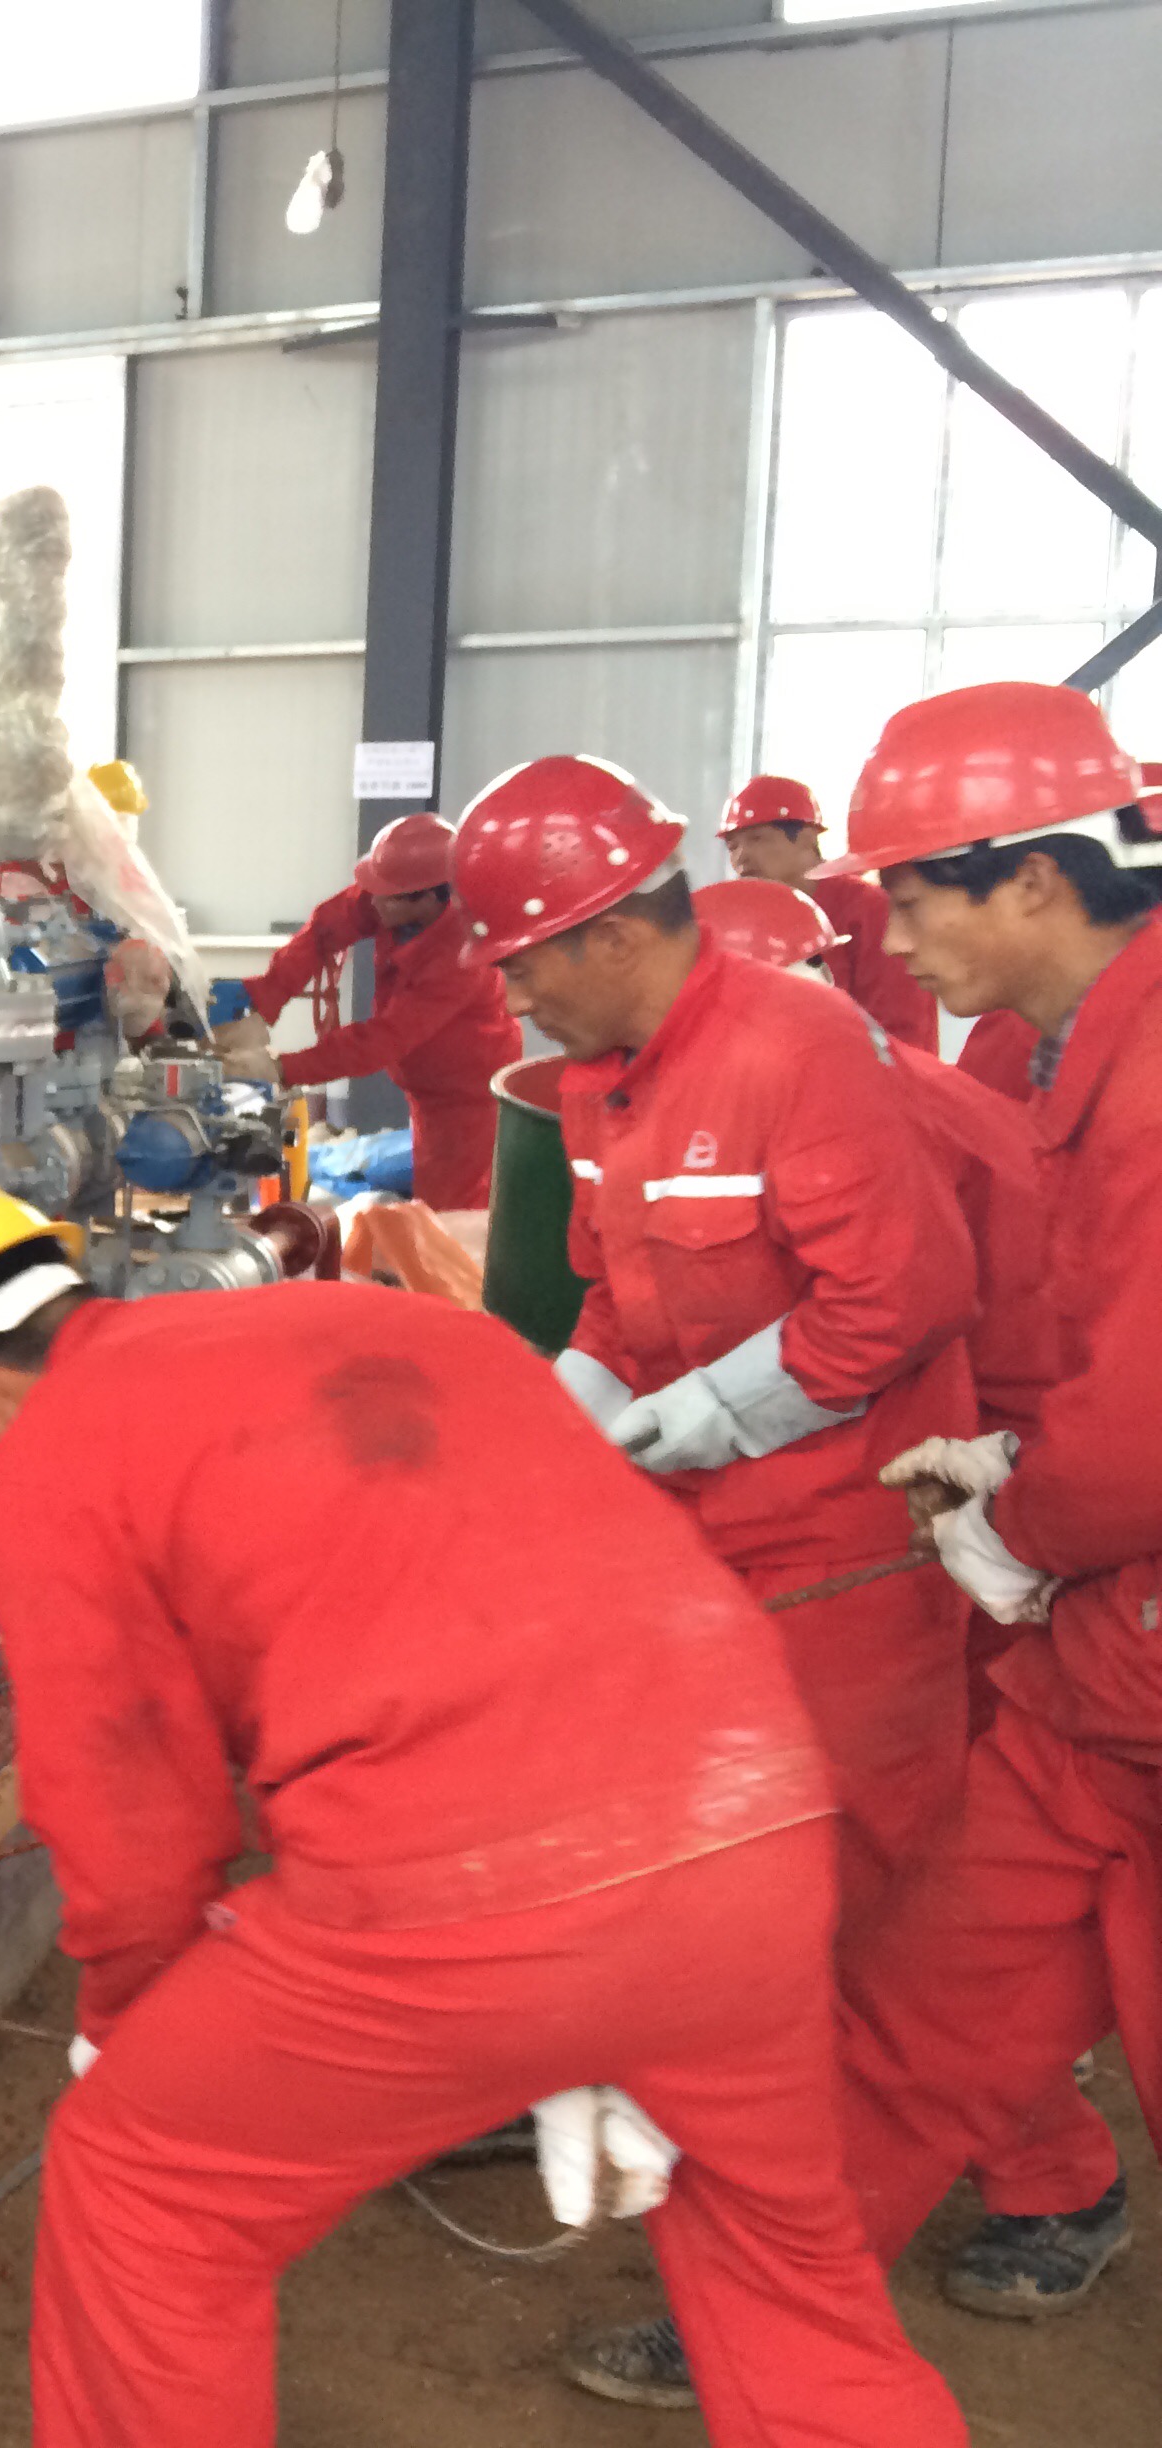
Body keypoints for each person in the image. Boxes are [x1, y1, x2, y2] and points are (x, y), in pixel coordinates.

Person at [0, 1187, 964, 2448]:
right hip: (753, 1829)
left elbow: (124, 1802)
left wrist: (132, 2027)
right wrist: (604, 2018)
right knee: (789, 2272)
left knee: (141, 2184)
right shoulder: (411, 1326)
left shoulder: (48, 1455)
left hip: (464, 1893)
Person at [449, 757, 983, 2407]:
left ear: (612, 931)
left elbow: (896, 1296)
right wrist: (559, 1428)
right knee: (713, 1895)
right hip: (707, 1549)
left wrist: (706, 1418)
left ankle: (771, 2294)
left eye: (525, 961)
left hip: (842, 1560)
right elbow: (617, 1298)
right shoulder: (601, 1084)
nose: (515, 997)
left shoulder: (792, 1048)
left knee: (824, 1935)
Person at [697, 875, 1123, 2313]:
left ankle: (1055, 2177)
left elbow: (1037, 1367)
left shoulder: (906, 1125)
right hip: (901, 1527)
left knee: (905, 1888)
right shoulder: (733, 1117)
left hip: (952, 1536)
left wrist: (1013, 1518)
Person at [809, 682, 1162, 2329]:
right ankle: (769, 2320)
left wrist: (1015, 1526)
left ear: (1030, 877)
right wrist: (1028, 1477)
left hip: (1120, 1633)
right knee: (917, 2002)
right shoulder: (1085, 1050)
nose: (888, 937)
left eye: (910, 895)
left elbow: (1146, 1415)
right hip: (1104, 1670)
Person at [230, 811, 520, 1209]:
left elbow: (380, 1040)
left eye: (387, 895)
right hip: (424, 1077)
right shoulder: (392, 896)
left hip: (465, 1093)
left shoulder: (462, 957)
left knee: (450, 1205)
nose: (372, 900)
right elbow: (324, 930)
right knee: (426, 1179)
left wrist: (282, 1068)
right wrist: (266, 1001)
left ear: (430, 898)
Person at [721, 773, 940, 1049]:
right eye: (732, 846)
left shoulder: (870, 910)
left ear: (807, 837)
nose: (741, 857)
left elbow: (901, 1031)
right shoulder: (748, 925)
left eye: (757, 839)